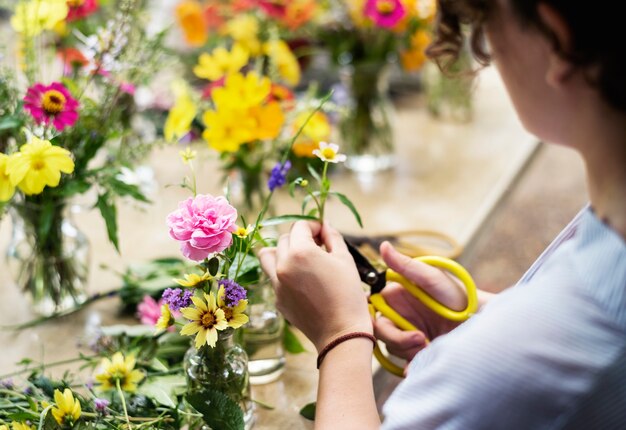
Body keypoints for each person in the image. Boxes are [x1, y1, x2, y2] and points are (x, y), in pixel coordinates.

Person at [258, 0, 626, 428]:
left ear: (558, 40)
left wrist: (339, 335)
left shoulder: (520, 362)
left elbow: (546, 353)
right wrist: (479, 321)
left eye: (483, 25)